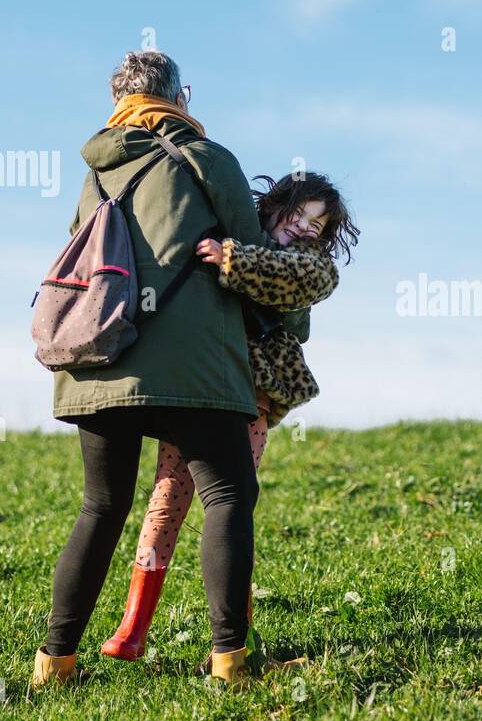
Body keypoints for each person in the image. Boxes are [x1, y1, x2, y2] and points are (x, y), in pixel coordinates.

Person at [31, 50, 272, 688]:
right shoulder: (209, 159)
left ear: (119, 103)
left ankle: (54, 662)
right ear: (180, 97)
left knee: (101, 506)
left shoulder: (95, 173)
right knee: (227, 495)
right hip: (193, 366)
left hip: (99, 361)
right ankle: (229, 663)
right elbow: (252, 257)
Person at [99, 172, 359, 666]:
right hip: (199, 388)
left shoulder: (304, 263)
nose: (306, 228)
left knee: (232, 511)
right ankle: (133, 628)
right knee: (169, 496)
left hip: (251, 398)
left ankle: (234, 642)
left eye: (318, 225)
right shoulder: (237, 230)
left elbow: (301, 279)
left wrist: (234, 261)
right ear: (276, 205)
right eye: (300, 214)